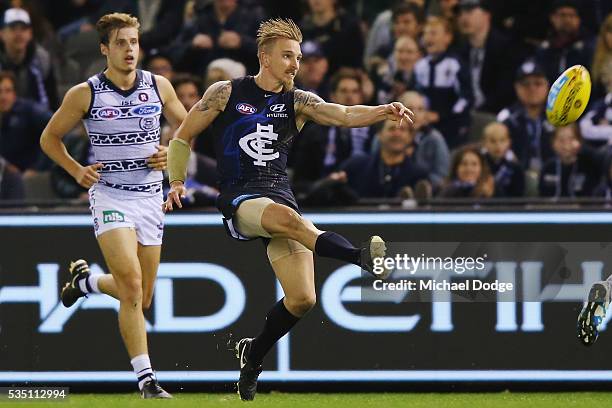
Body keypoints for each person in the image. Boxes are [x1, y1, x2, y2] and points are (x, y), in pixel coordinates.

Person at [164, 18, 412, 401]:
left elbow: (343, 115)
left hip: (280, 198)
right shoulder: (226, 92)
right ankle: (359, 257)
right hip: (240, 197)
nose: (295, 64)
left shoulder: (298, 101)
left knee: (303, 299)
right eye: (287, 56)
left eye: (297, 56)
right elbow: (183, 137)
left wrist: (383, 110)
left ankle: (253, 355)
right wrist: (177, 180)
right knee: (289, 220)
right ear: (264, 57)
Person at [39, 13, 187, 399]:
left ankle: (86, 282)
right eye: (121, 43)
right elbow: (50, 138)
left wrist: (170, 151)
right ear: (105, 48)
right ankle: (147, 380)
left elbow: (188, 129)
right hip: (109, 195)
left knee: (141, 296)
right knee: (132, 286)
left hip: (149, 197)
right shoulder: (84, 93)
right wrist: (75, 170)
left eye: (134, 42)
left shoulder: (158, 85)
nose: (129, 50)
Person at [414, 16, 472, 148]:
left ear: (448, 37)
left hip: (451, 124)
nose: (428, 37)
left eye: (433, 33)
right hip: (424, 123)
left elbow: (466, 98)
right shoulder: (420, 66)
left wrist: (442, 116)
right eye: (425, 33)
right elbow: (416, 94)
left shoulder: (455, 64)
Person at [337, 118, 429, 199]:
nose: (397, 134)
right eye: (391, 129)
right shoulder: (355, 167)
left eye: (402, 129)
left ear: (410, 137)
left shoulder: (419, 175)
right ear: (379, 134)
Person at [497, 60, 555, 173]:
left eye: (538, 83)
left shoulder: (559, 115)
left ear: (547, 86)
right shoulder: (506, 117)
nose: (532, 89)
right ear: (516, 88)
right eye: (525, 84)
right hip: (517, 176)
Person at [0, 8, 58, 109]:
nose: (19, 34)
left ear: (30, 33)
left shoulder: (42, 59)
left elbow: (52, 99)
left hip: (36, 120)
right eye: (13, 28)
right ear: (2, 33)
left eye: (23, 28)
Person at [399, 91, 450, 190]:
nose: (415, 114)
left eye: (420, 109)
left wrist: (424, 186)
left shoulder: (435, 139)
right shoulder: (389, 135)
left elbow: (442, 175)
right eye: (409, 108)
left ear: (426, 114)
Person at [538, 124, 602, 198]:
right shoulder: (548, 167)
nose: (566, 145)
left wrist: (581, 148)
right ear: (553, 143)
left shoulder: (588, 165)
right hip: (552, 208)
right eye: (561, 140)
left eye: (571, 139)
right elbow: (542, 197)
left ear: (579, 141)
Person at [480, 122, 525, 197]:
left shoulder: (516, 168)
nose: (498, 145)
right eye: (493, 141)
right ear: (484, 143)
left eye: (502, 140)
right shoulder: (478, 165)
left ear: (509, 142)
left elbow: (518, 199)